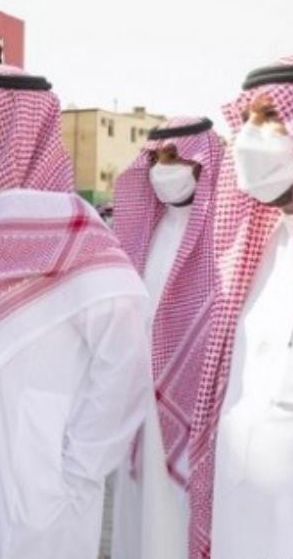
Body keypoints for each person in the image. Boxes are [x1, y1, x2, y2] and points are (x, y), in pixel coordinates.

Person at [0, 64, 150, 559]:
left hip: (42, 482)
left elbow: (125, 363)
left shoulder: (76, 235)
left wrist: (78, 469)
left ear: (15, 129)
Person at [188, 54, 293, 559]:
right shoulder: (251, 252)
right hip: (237, 512)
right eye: (247, 118)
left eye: (271, 117)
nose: (249, 135)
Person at [109, 117, 223, 559]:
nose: (162, 168)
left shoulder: (223, 236)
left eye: (173, 156)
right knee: (140, 514)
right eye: (155, 158)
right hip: (140, 399)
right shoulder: (147, 231)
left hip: (197, 408)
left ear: (201, 162)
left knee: (177, 519)